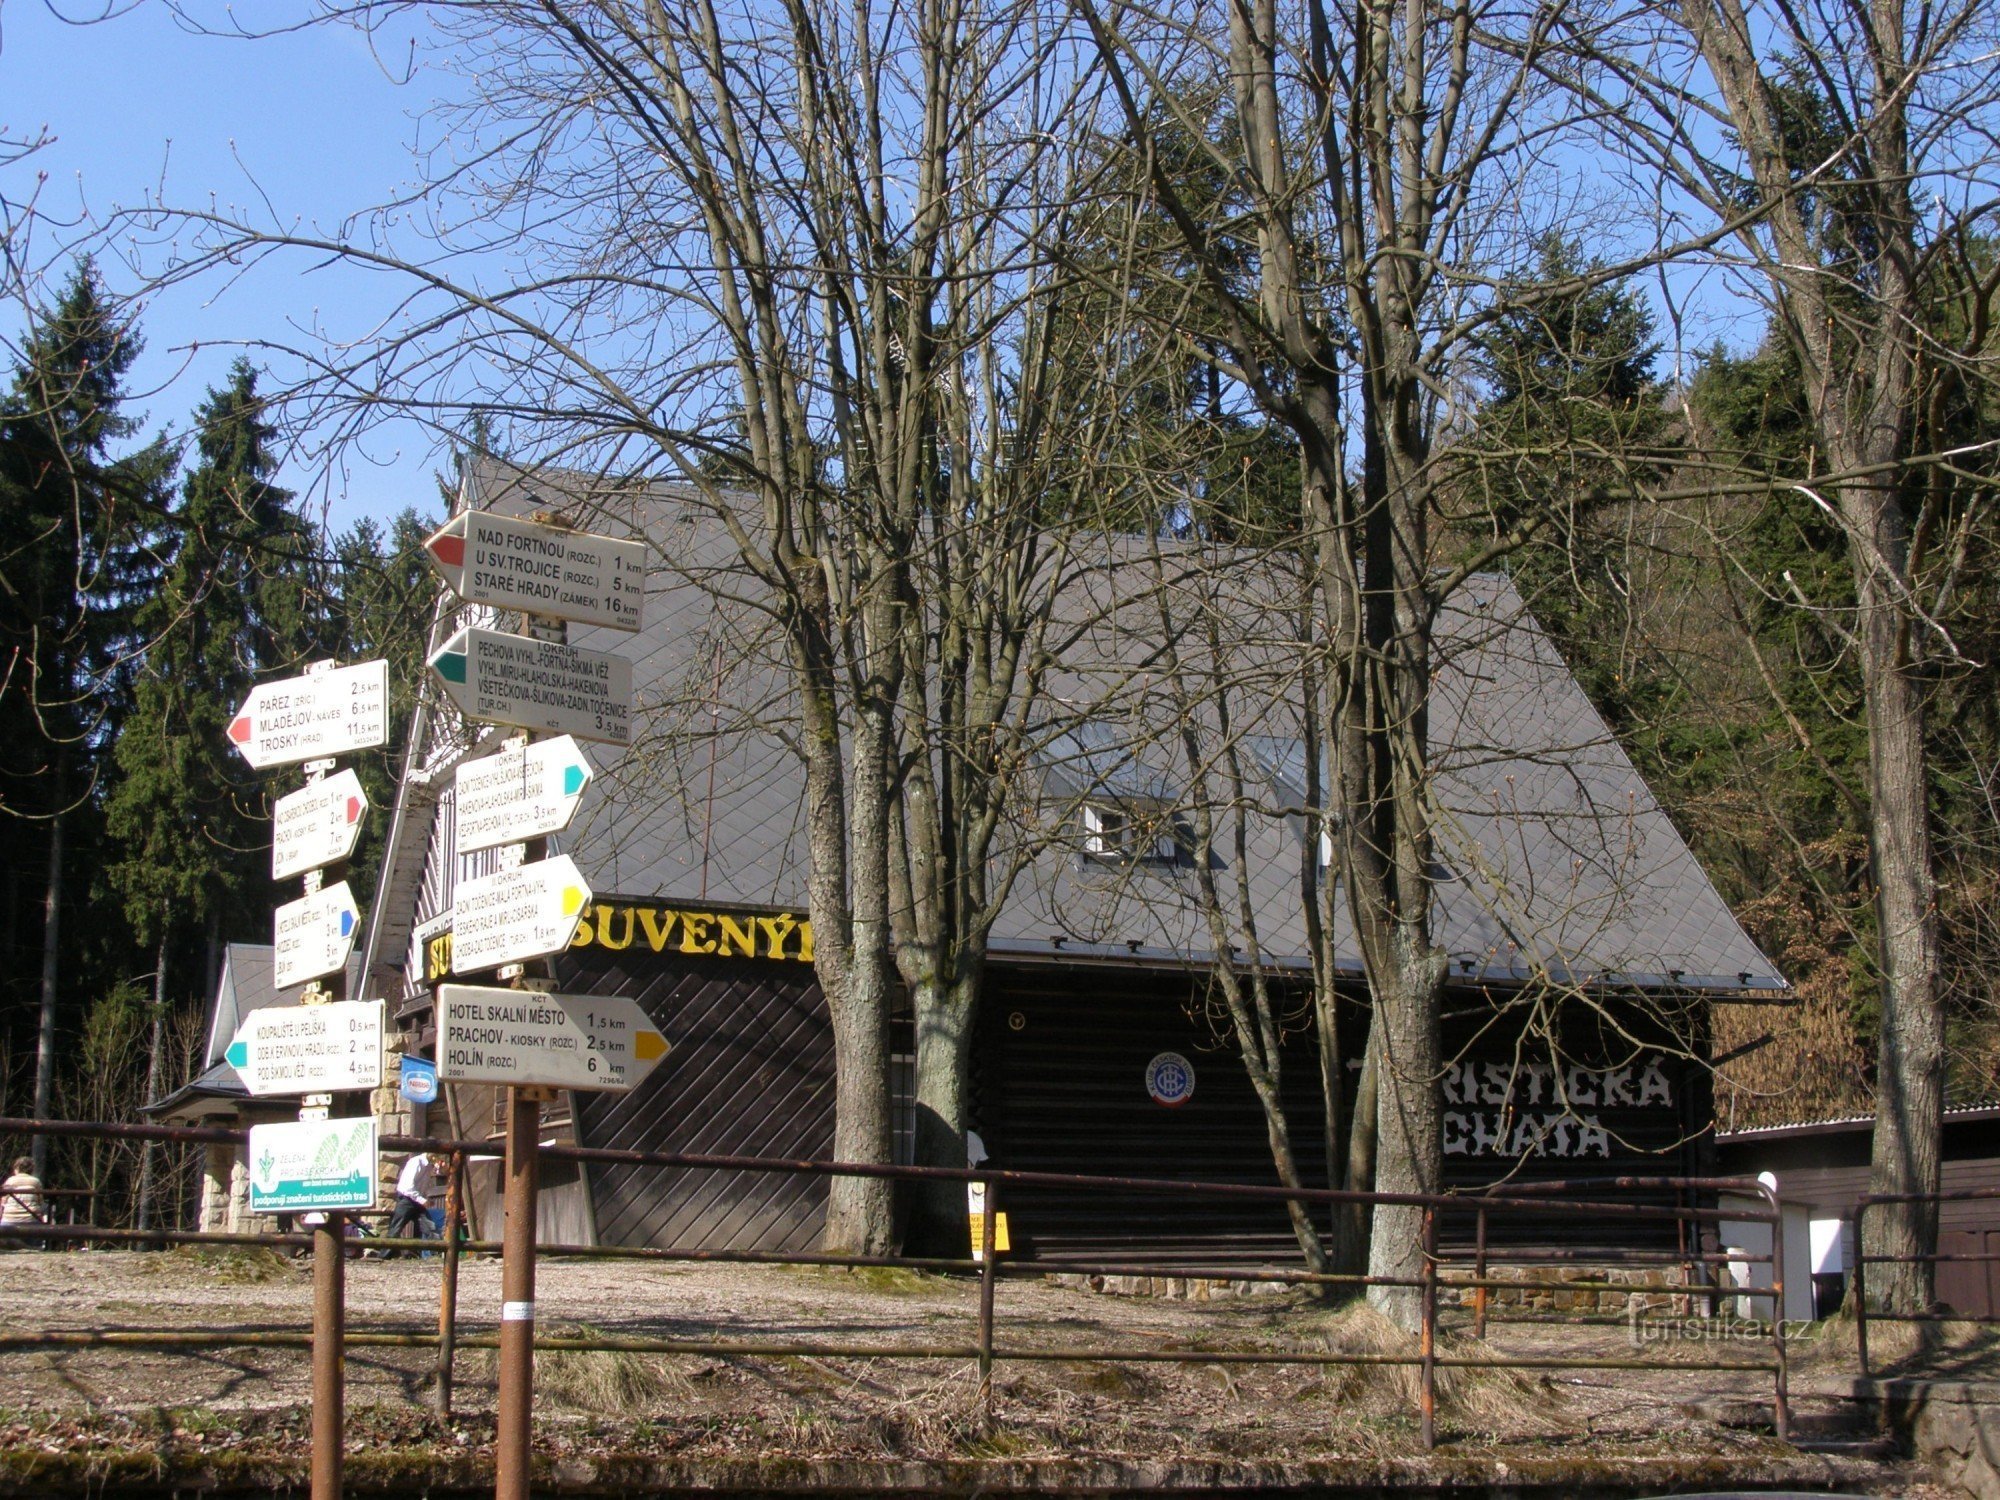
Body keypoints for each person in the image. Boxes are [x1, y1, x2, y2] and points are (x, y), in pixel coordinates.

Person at [384, 1151, 443, 1256]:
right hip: (407, 1199)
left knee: (429, 1227)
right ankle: (384, 1255)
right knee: (396, 1228)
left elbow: (429, 1180)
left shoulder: (429, 1165)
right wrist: (422, 1200)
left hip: (418, 1200)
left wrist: (439, 1168)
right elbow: (408, 1187)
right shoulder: (416, 1162)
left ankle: (437, 1254)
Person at [1, 1156, 45, 1249]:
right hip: (31, 1219)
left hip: (9, 1219)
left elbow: (3, 1201)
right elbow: (40, 1201)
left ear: (17, 1168)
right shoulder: (36, 1181)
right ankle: (34, 1248)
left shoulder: (10, 1180)